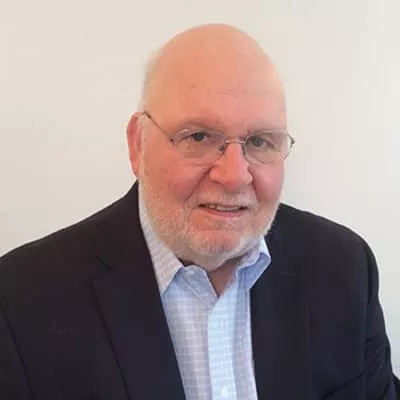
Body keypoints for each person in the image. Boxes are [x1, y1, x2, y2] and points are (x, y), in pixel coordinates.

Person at [0, 23, 397, 400]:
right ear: (138, 144)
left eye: (260, 141)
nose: (234, 176)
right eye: (199, 136)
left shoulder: (343, 269)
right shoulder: (22, 300)